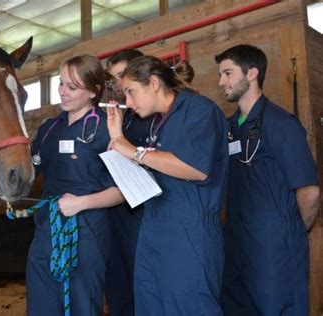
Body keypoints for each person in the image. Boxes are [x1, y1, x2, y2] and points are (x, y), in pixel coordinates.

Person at [106, 55, 229, 315]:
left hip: (189, 232)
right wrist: (117, 137)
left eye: (131, 92)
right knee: (150, 306)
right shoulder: (159, 121)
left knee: (189, 307)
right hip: (154, 226)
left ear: (153, 83)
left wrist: (134, 152)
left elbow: (196, 169)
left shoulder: (198, 110)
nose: (127, 102)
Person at [216, 44, 320, 316]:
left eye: (228, 73)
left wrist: (294, 231)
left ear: (252, 73)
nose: (220, 82)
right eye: (220, 74)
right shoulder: (229, 128)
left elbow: (309, 192)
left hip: (274, 247)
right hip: (236, 244)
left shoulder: (281, 124)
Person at [26, 54, 124, 316]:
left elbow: (123, 191)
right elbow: (28, 173)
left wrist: (81, 203)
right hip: (47, 228)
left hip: (87, 232)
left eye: (72, 87)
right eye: (61, 84)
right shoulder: (49, 128)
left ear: (93, 91)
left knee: (81, 305)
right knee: (40, 304)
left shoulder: (107, 129)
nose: (62, 92)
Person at [103, 48, 153, 316]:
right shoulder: (125, 117)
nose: (120, 86)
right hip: (118, 218)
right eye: (115, 80)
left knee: (144, 289)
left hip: (147, 219)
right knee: (118, 289)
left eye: (123, 76)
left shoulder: (156, 118)